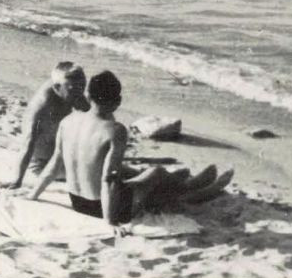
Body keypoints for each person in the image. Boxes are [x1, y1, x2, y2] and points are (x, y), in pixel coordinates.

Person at [26, 70, 224, 234]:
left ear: (88, 96)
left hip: (78, 202)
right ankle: (191, 191)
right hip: (103, 208)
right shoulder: (115, 130)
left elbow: (54, 164)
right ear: (117, 102)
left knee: (140, 174)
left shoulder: (68, 122)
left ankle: (184, 182)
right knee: (157, 173)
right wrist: (110, 222)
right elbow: (108, 180)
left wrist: (33, 195)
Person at [3, 63, 87, 189]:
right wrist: (17, 180)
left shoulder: (69, 88)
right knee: (95, 171)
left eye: (82, 87)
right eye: (74, 90)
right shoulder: (42, 108)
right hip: (43, 165)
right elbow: (28, 143)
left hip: (61, 155)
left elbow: (90, 113)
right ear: (56, 87)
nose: (80, 94)